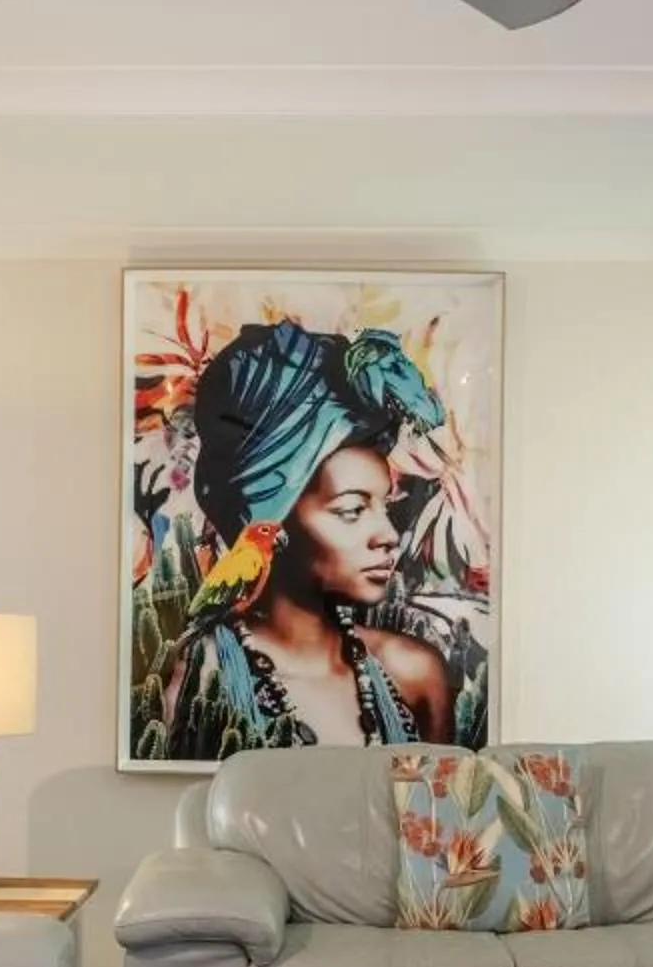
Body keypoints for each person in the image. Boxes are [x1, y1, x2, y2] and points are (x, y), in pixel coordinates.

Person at [154, 320, 459, 759]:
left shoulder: (413, 675)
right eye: (352, 509)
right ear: (272, 517)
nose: (388, 536)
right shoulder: (196, 684)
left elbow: (434, 822)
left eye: (386, 507)